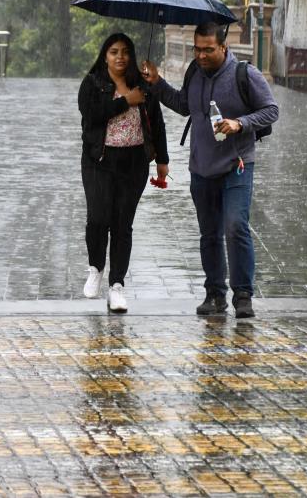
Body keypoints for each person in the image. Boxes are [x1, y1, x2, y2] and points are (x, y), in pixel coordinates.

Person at [142, 22, 278, 318]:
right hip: (201, 166)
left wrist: (239, 123)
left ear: (223, 47)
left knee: (235, 225)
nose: (201, 55)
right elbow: (183, 105)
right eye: (197, 49)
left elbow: (271, 110)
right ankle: (214, 293)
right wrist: (157, 82)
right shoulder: (194, 72)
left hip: (237, 164)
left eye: (208, 50)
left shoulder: (245, 74)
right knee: (209, 234)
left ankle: (242, 295)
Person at [78, 33, 169, 313]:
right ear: (105, 55)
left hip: (133, 162)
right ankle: (96, 267)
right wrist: (125, 101)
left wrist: (162, 160)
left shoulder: (143, 86)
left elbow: (157, 122)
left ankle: (117, 286)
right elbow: (90, 115)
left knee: (122, 224)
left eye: (125, 52)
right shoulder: (92, 83)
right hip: (99, 160)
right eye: (114, 51)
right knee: (98, 217)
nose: (120, 57)